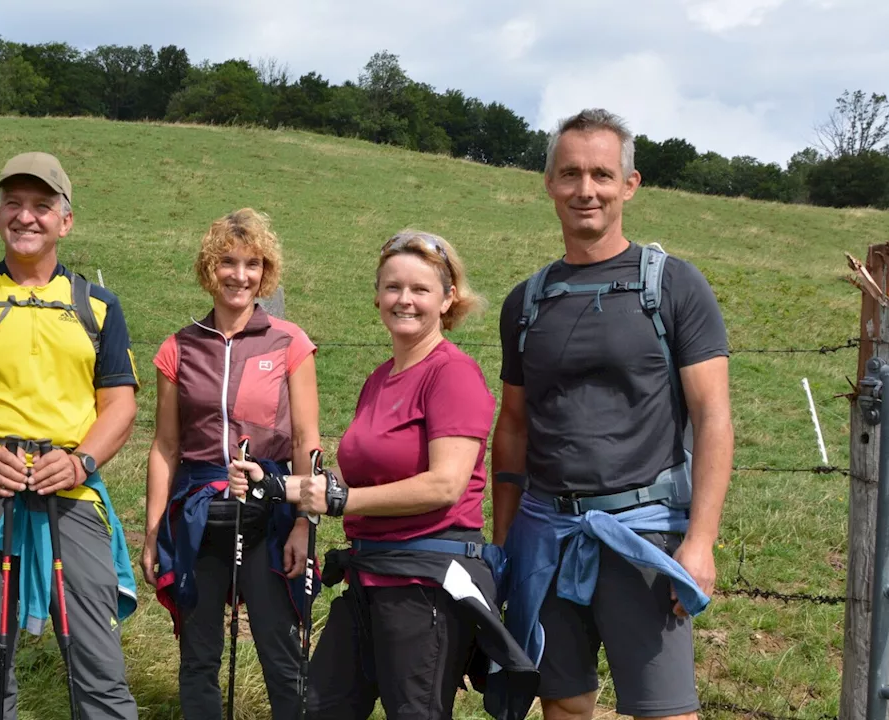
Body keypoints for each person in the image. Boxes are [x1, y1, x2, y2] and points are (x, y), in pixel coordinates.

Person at [488, 108, 734, 720]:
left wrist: (699, 542)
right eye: (570, 174)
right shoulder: (527, 300)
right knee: (564, 706)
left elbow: (713, 418)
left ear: (630, 184)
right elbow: (513, 425)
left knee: (665, 712)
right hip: (546, 535)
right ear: (548, 183)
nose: (585, 189)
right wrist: (505, 543)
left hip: (644, 534)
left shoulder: (674, 286)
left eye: (602, 173)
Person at [230, 230, 538, 720]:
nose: (405, 300)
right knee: (320, 709)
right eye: (393, 287)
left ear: (448, 297)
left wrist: (337, 500)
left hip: (425, 583)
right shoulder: (379, 378)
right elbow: (362, 479)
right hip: (368, 577)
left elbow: (445, 485)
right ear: (377, 296)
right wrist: (274, 483)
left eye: (420, 289)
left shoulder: (452, 375)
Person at [0, 151, 141, 720]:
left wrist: (81, 463)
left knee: (99, 665)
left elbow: (119, 404)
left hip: (71, 492)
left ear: (66, 221)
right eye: (13, 204)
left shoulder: (97, 305)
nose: (26, 217)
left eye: (42, 206)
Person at [139, 208, 320, 720]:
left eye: (253, 263)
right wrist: (153, 532)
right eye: (228, 262)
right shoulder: (178, 347)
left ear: (266, 273)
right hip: (197, 509)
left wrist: (304, 524)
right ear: (208, 268)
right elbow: (165, 447)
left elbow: (307, 438)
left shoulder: (289, 342)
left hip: (272, 505)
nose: (240, 275)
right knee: (198, 658)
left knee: (282, 655)